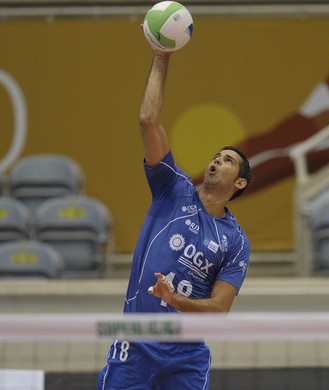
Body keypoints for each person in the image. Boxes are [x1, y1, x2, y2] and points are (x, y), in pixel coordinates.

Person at [97, 46, 252, 388]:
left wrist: (174, 300)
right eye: (216, 156)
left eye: (227, 160)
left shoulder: (237, 241)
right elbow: (147, 120)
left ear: (239, 183)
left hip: (186, 357)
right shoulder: (172, 187)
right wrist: (161, 55)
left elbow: (219, 309)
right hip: (135, 344)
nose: (216, 160)